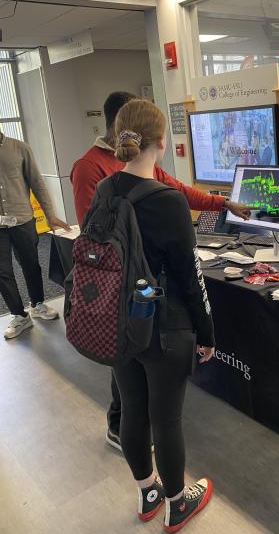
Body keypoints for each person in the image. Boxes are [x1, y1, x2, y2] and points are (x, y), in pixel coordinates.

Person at [71, 91, 250, 451]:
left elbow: (178, 191)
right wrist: (206, 330)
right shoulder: (90, 169)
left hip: (148, 296)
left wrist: (222, 202)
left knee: (141, 398)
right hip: (121, 296)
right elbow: (91, 235)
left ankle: (145, 479)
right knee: (135, 401)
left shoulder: (140, 174)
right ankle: (117, 427)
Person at [105, 98, 214, 531]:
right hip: (164, 326)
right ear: (161, 142)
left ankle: (148, 492)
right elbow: (191, 278)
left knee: (133, 408)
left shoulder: (105, 188)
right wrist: (207, 332)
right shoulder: (167, 200)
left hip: (117, 321)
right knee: (165, 418)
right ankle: (177, 502)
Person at [0, 132, 70, 339]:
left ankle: (38, 304)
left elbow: (37, 183)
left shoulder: (20, 148)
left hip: (22, 220)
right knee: (2, 272)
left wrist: (50, 215)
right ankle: (19, 315)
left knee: (30, 264)